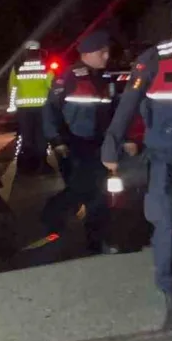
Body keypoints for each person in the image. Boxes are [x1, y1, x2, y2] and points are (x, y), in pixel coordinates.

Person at [102, 0, 172, 336]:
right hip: (165, 161)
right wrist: (111, 147)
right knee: (168, 225)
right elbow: (128, 104)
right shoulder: (155, 60)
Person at [41, 30, 119, 255]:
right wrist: (56, 140)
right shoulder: (69, 77)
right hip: (73, 145)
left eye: (107, 52)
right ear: (88, 53)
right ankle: (52, 213)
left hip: (99, 144)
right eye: (102, 52)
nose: (107, 57)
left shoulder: (105, 78)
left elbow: (113, 110)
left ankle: (96, 242)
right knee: (83, 190)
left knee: (98, 192)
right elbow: (50, 110)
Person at [8, 41, 55, 174]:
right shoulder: (45, 66)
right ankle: (42, 164)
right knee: (42, 136)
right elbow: (50, 85)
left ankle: (26, 166)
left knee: (26, 136)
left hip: (24, 108)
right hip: (42, 107)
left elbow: (13, 88)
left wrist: (12, 107)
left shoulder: (17, 67)